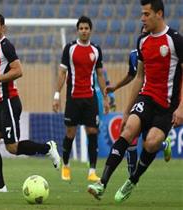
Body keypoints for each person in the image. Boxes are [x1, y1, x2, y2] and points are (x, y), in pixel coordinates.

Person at [88, 0, 183, 202]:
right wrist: (126, 112)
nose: (142, 18)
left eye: (146, 14)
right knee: (128, 131)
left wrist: (181, 107)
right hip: (146, 97)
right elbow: (139, 77)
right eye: (142, 14)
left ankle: (132, 180)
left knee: (150, 143)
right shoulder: (142, 41)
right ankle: (101, 183)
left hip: (166, 106)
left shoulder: (175, 40)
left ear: (159, 14)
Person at [0, 12, 60, 193]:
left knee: (12, 148)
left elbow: (18, 70)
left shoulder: (6, 46)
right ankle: (0, 186)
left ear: (3, 28)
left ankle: (48, 148)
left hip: (9, 101)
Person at [105, 27, 172, 176]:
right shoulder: (135, 54)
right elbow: (132, 76)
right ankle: (131, 174)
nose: (145, 35)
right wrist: (115, 87)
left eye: (147, 33)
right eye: (143, 33)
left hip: (153, 100)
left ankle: (163, 145)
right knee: (130, 136)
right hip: (139, 98)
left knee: (148, 140)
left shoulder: (161, 52)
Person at [52, 15, 109, 182]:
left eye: (86, 28)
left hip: (90, 98)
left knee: (92, 132)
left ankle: (92, 171)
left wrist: (105, 97)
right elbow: (62, 73)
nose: (84, 31)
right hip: (73, 98)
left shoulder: (96, 50)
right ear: (78, 30)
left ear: (90, 30)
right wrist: (56, 95)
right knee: (70, 132)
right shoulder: (69, 49)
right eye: (81, 28)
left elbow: (99, 74)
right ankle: (66, 165)